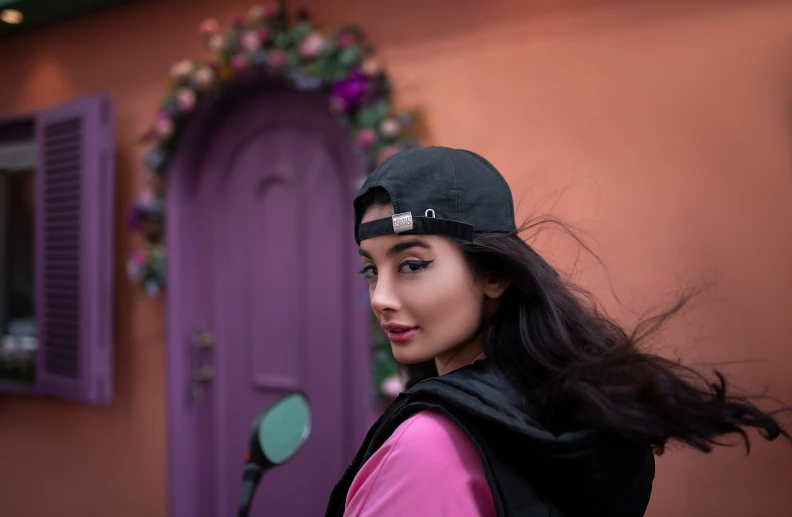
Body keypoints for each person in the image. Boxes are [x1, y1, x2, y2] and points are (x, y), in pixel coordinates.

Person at [325, 146, 788, 517]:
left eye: (412, 264)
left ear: (494, 274)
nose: (381, 297)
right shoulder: (565, 415)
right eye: (370, 270)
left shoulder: (428, 447)